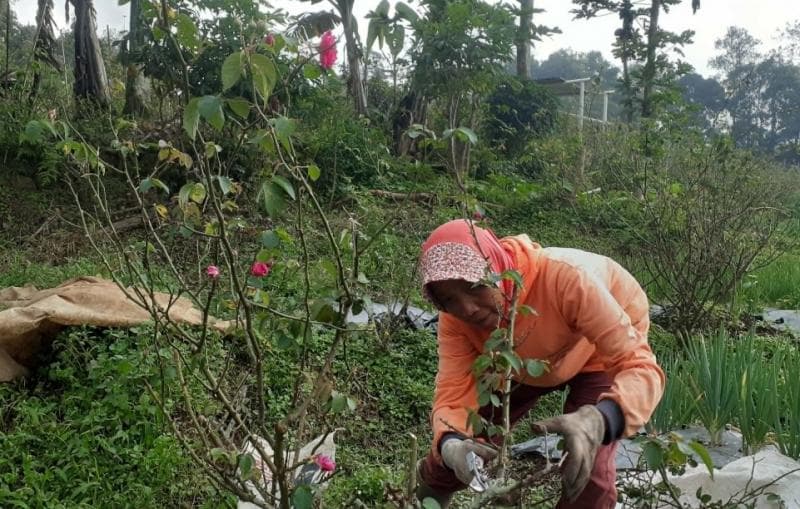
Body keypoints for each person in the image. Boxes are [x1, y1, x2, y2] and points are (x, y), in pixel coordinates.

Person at [415, 219, 665, 508]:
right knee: (468, 444)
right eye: (449, 300)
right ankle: (427, 498)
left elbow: (640, 368)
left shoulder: (566, 279)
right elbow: (453, 390)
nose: (466, 308)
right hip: (520, 357)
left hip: (594, 351)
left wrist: (598, 420)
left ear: (495, 268)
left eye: (474, 286)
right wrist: (451, 446)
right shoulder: (456, 320)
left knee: (588, 465)